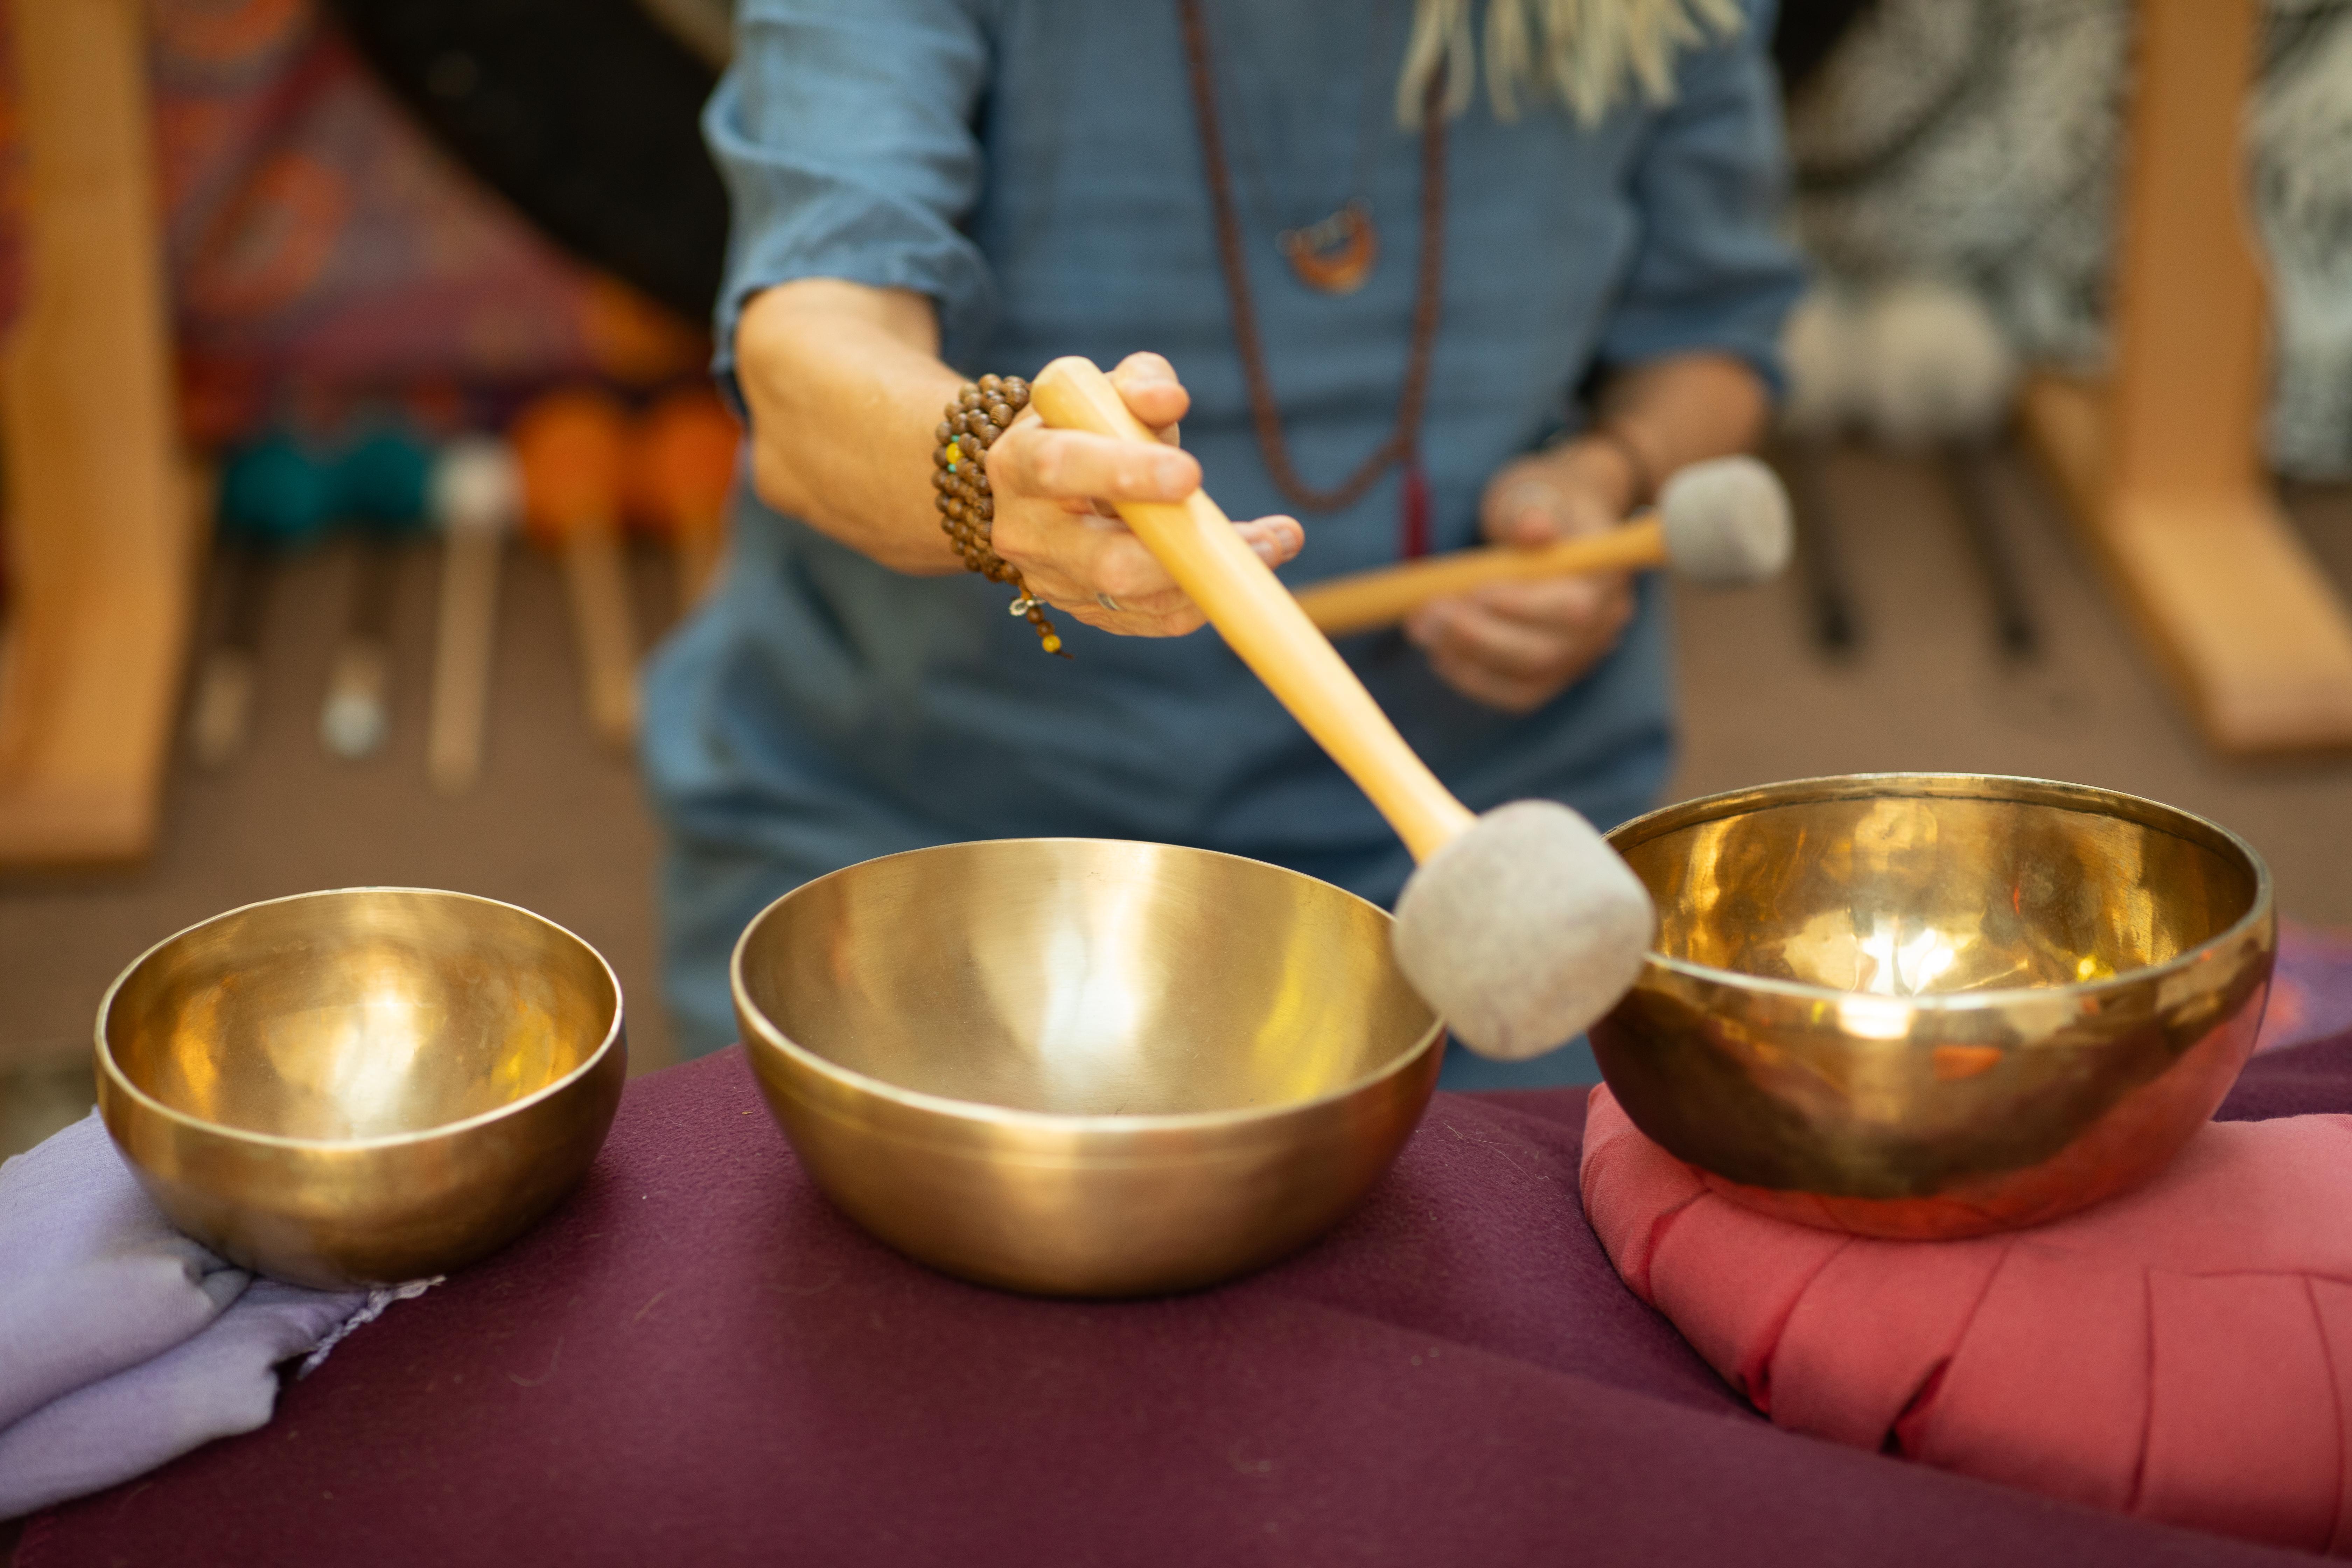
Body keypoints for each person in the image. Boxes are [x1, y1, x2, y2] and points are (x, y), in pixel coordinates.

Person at [645, 0, 1805, 1087]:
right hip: (927, 831)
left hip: (1494, 843)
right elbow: (806, 363)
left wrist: (1605, 480)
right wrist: (1004, 480)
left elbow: (1713, 334)